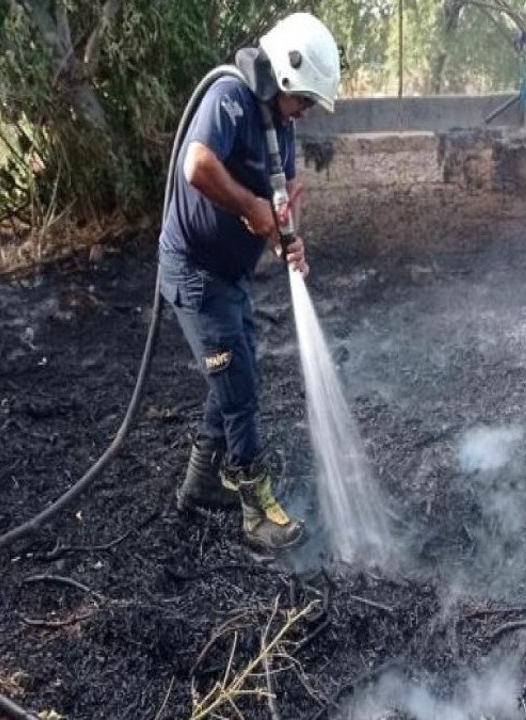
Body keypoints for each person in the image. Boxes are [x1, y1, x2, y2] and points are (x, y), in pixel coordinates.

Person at [158, 12, 342, 551]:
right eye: (303, 100)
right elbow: (196, 166)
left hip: (228, 274)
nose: (305, 113)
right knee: (237, 387)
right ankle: (256, 510)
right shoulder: (229, 97)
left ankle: (200, 484)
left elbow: (276, 201)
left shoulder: (278, 126)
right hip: (194, 270)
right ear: (284, 74)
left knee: (236, 369)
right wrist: (250, 207)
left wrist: (287, 240)